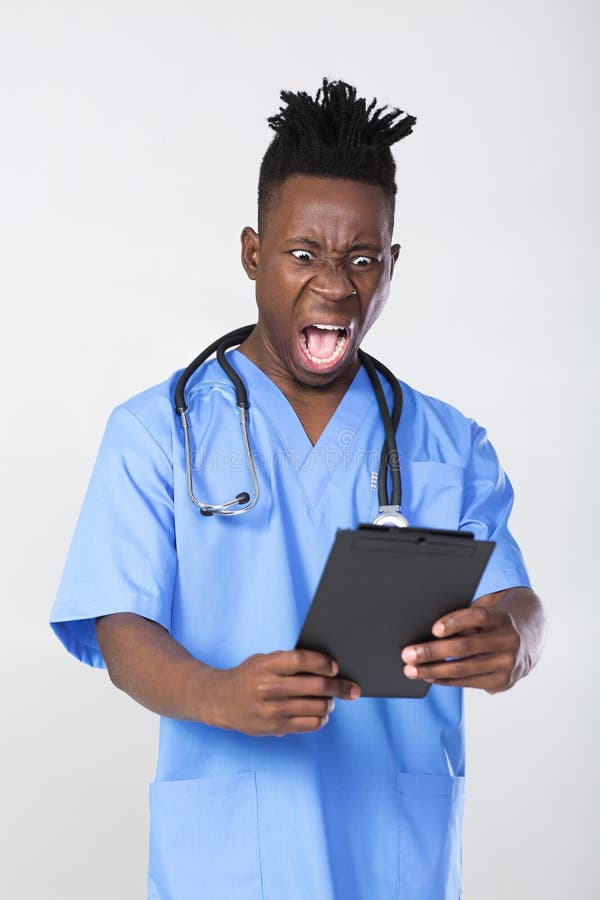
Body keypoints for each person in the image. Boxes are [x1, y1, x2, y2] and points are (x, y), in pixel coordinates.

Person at [50, 78, 545, 900]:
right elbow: (119, 628)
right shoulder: (154, 432)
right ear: (253, 253)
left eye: (361, 259)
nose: (336, 285)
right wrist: (215, 692)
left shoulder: (449, 443)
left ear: (390, 264)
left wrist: (514, 644)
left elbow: (514, 600)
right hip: (230, 861)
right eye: (303, 254)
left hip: (395, 858)